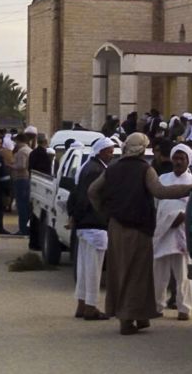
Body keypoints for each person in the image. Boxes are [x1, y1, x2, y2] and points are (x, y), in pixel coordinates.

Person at [87, 133, 192, 335]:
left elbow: (92, 191)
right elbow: (160, 192)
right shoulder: (145, 169)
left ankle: (140, 316)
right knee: (137, 274)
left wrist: (106, 215)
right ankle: (127, 320)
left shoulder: (112, 169)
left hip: (116, 228)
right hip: (138, 229)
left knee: (121, 271)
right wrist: (189, 189)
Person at [71, 137, 114, 321]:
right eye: (109, 151)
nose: (112, 154)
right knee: (93, 270)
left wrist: (75, 217)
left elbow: (75, 196)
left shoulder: (88, 167)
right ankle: (91, 307)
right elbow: (88, 198)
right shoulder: (97, 171)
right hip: (95, 225)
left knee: (84, 268)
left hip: (84, 225)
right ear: (101, 152)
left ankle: (81, 305)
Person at [153, 144, 192, 321]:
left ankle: (184, 308)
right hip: (162, 231)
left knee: (183, 275)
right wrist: (164, 221)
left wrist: (183, 217)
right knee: (159, 274)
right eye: (176, 158)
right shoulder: (162, 179)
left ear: (188, 160)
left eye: (182, 158)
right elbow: (156, 204)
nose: (178, 161)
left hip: (181, 233)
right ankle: (157, 306)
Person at [12, 133, 33, 237]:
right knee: (26, 205)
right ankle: (27, 228)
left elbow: (22, 165)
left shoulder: (22, 151)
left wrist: (10, 165)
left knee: (21, 205)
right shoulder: (29, 150)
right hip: (27, 178)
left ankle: (23, 228)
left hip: (21, 179)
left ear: (19, 141)